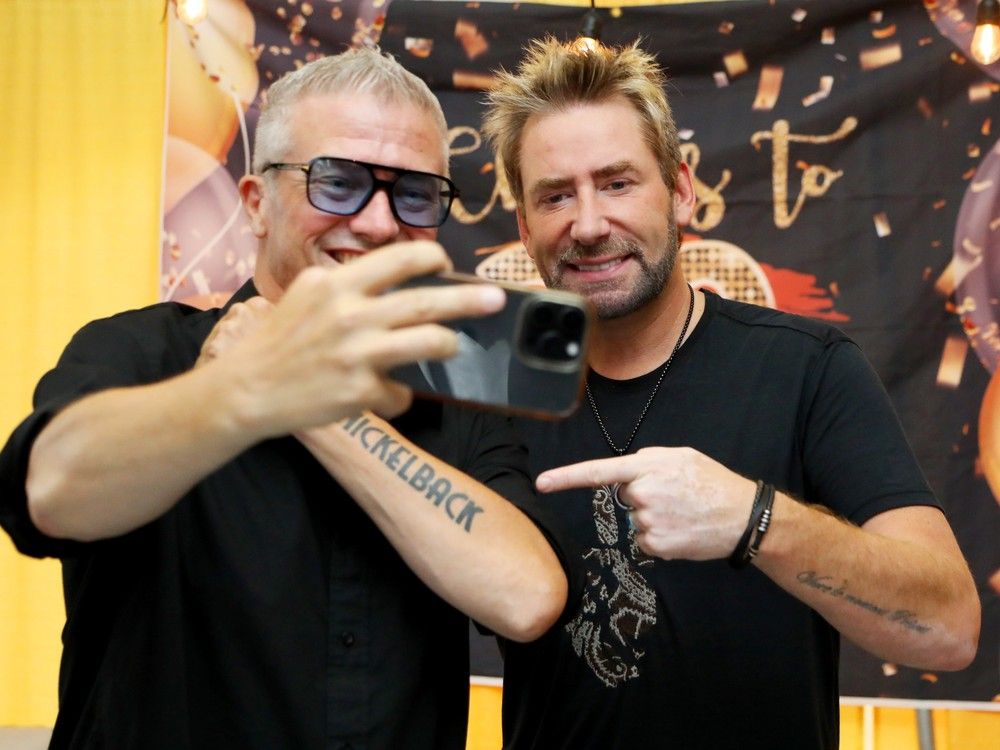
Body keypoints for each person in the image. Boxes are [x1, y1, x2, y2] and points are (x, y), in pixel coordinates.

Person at [0, 47, 568, 749]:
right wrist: (234, 392)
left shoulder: (467, 400)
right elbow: (50, 492)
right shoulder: (145, 352)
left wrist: (322, 412)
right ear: (256, 204)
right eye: (337, 183)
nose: (379, 222)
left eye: (415, 193)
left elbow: (526, 596)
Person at [481, 37, 980, 749]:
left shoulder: (808, 367)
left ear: (680, 188)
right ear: (526, 226)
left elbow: (950, 629)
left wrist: (758, 522)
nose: (588, 225)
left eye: (618, 182)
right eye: (556, 195)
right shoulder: (489, 387)